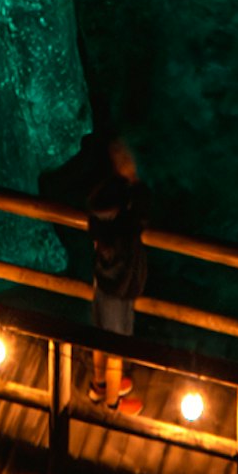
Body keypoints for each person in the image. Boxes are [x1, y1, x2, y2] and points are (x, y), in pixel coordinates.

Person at [57, 127, 149, 415]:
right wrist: (135, 184)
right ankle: (112, 401)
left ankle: (98, 385)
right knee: (116, 345)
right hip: (120, 286)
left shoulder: (99, 206)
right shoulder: (124, 216)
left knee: (100, 335)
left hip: (103, 279)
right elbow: (141, 217)